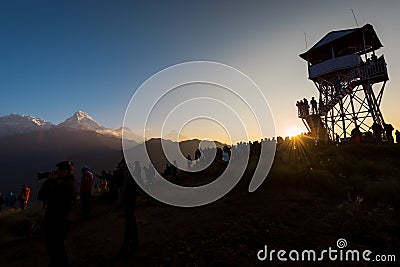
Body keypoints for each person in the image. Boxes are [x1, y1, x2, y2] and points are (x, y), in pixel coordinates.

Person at [37, 160, 75, 267]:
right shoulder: (70, 183)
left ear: (65, 172)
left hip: (56, 220)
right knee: (57, 247)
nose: (57, 172)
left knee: (55, 247)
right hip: (61, 219)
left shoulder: (65, 185)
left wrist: (50, 181)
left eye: (59, 170)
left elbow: (42, 195)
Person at [114, 159, 140, 260]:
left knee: (129, 224)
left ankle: (127, 246)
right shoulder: (129, 178)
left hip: (130, 203)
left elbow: (131, 192)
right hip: (130, 203)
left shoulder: (130, 179)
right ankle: (134, 243)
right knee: (132, 222)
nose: (124, 171)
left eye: (125, 169)